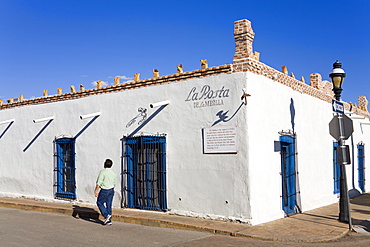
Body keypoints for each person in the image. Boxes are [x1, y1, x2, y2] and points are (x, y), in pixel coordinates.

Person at [94, 159, 117, 225]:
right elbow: (114, 184)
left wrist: (96, 191)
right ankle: (109, 220)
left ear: (104, 165)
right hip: (111, 190)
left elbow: (99, 183)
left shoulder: (102, 172)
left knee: (99, 203)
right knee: (109, 204)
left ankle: (106, 215)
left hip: (104, 190)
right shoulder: (113, 173)